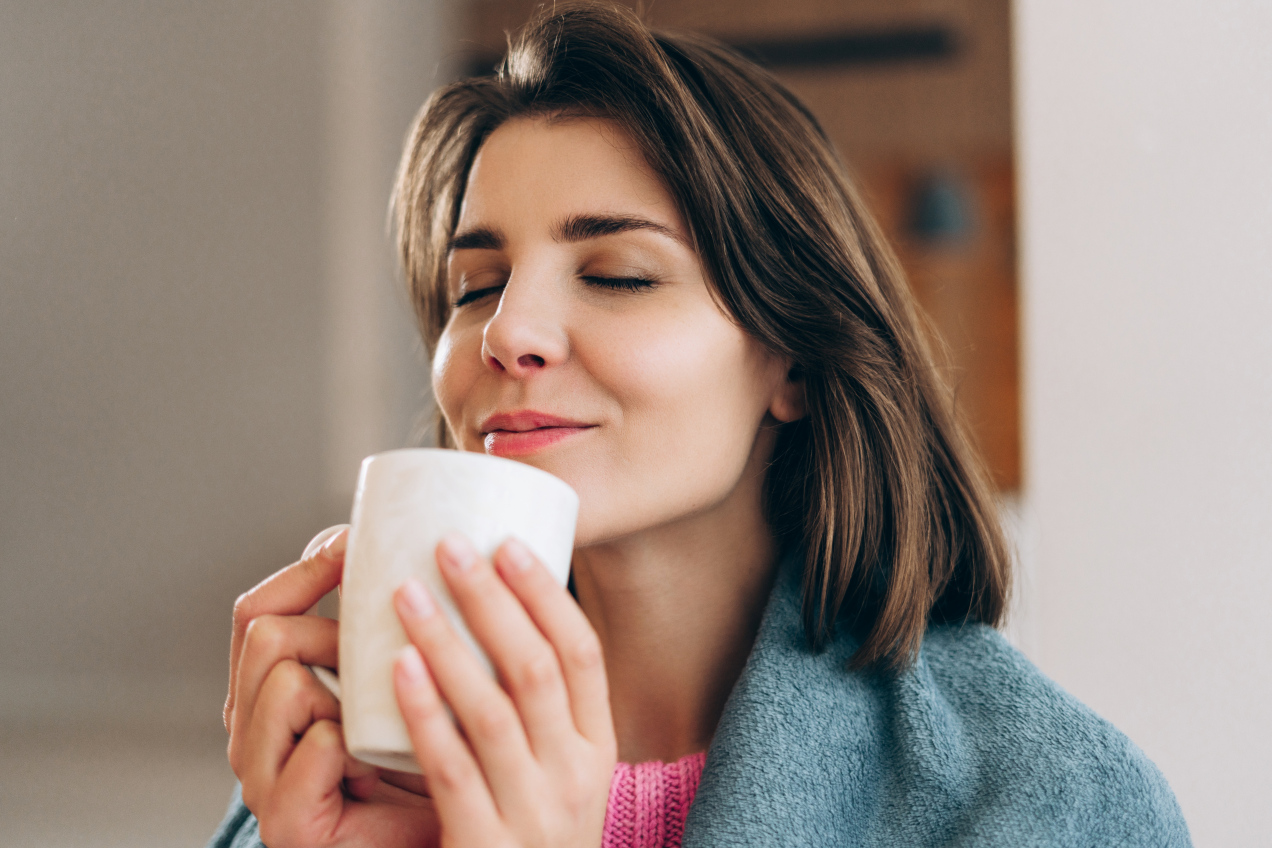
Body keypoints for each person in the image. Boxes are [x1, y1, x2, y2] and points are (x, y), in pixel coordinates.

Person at [210, 3, 1191, 847]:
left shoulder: (1048, 801)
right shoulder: (339, 783)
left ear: (793, 360)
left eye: (617, 276)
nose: (506, 332)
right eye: (476, 285)